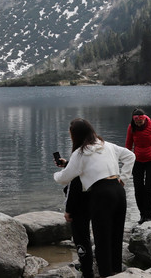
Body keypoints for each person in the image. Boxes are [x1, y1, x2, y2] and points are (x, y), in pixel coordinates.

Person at [53, 118, 135, 277]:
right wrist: (123, 179)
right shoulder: (107, 145)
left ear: (75, 135)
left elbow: (64, 178)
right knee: (116, 236)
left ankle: (105, 273)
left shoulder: (80, 152)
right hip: (118, 191)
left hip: (101, 193)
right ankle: (116, 271)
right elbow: (130, 156)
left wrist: (56, 174)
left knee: (102, 238)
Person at [124, 108, 151, 224]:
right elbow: (128, 145)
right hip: (137, 161)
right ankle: (142, 214)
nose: (138, 124)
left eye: (140, 122)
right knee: (138, 189)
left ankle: (148, 215)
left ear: (144, 118)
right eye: (136, 122)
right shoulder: (131, 127)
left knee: (149, 189)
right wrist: (126, 161)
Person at [62, 177, 93, 278]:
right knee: (87, 237)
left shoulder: (78, 164)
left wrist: (68, 210)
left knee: (80, 239)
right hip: (94, 199)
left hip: (79, 205)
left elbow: (73, 186)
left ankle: (86, 271)